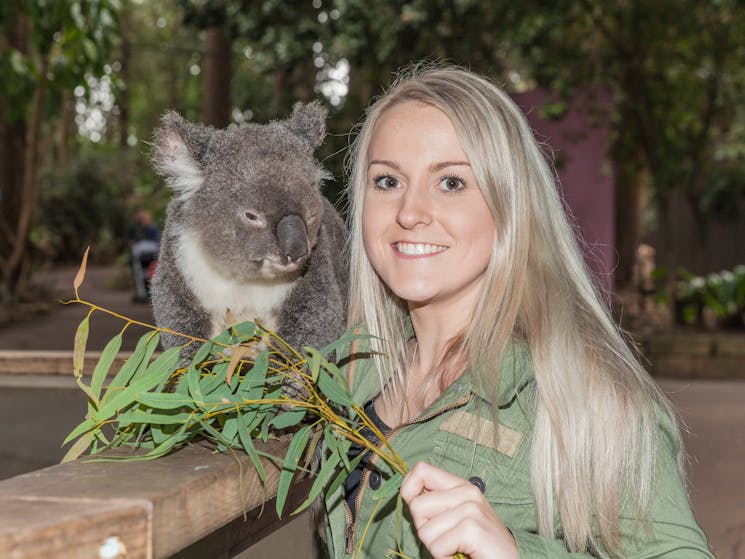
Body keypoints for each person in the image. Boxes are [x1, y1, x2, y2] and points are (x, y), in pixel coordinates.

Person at [321, 64, 714, 558]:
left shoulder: (579, 391)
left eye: (450, 183)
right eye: (387, 181)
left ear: (510, 205)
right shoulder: (349, 369)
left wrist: (514, 553)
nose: (409, 211)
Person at [127, 208, 160, 302]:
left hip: (149, 254)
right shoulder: (134, 228)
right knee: (141, 273)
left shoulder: (151, 228)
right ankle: (142, 293)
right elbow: (131, 241)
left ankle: (146, 293)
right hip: (142, 255)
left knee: (148, 273)